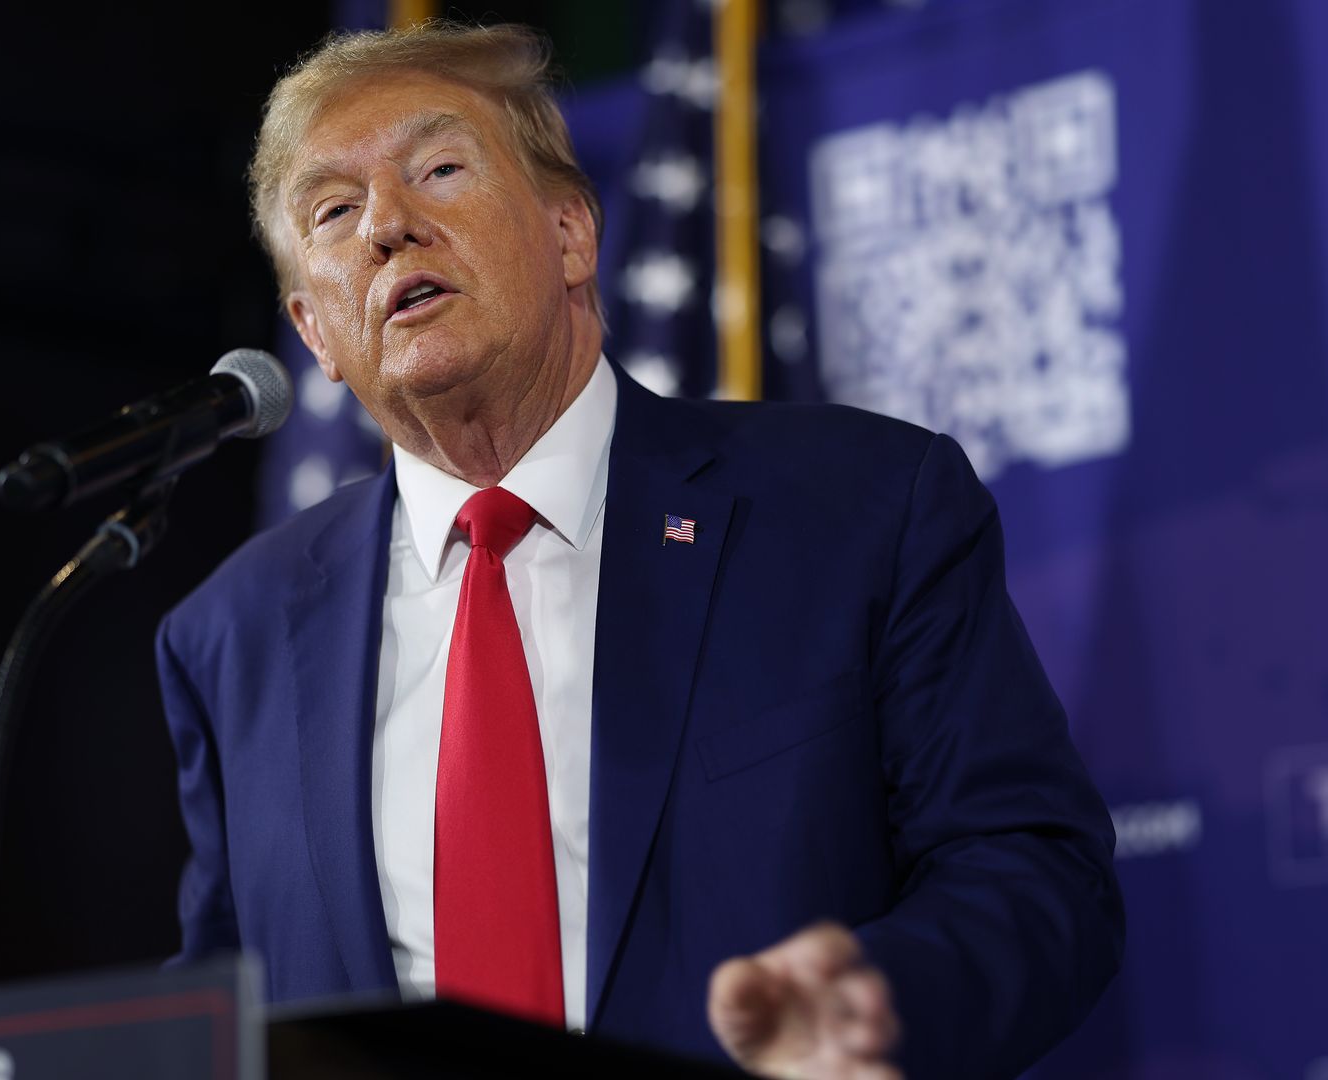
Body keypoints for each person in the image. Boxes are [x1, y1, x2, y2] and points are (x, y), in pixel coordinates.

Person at [156, 21, 1123, 1079]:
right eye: (335, 212)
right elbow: (225, 1007)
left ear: (571, 233)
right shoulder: (234, 636)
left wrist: (873, 999)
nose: (388, 224)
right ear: (314, 334)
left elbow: (1035, 873)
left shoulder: (862, 509)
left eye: (439, 169)